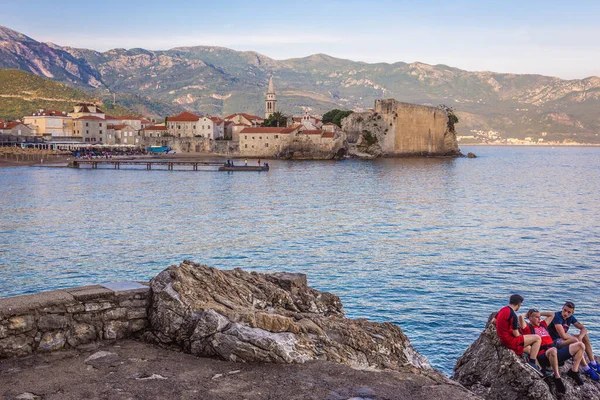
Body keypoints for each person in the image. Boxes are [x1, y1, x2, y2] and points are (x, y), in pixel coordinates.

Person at [520, 308, 586, 391]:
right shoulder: (528, 328)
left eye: (539, 317)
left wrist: (539, 313)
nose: (539, 319)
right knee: (553, 350)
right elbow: (520, 318)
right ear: (530, 318)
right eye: (536, 317)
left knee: (580, 345)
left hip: (554, 351)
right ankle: (557, 377)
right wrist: (526, 315)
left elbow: (552, 314)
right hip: (543, 354)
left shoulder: (543, 324)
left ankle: (574, 371)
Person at [546, 301, 600, 381]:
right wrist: (576, 339)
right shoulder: (557, 317)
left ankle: (593, 363)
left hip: (562, 340)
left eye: (569, 312)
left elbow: (584, 328)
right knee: (575, 341)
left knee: (584, 336)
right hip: (554, 342)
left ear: (572, 312)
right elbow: (563, 335)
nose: (566, 313)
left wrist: (581, 337)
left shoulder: (570, 318)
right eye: (564, 310)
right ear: (562, 308)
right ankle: (586, 368)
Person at [496, 294, 543, 376]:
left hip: (503, 338)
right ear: (519, 304)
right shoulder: (513, 315)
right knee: (537, 338)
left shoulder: (502, 309)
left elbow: (493, 321)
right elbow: (516, 334)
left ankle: (539, 368)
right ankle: (532, 363)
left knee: (529, 349)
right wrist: (524, 337)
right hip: (509, 341)